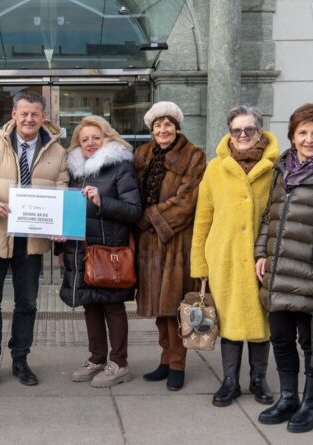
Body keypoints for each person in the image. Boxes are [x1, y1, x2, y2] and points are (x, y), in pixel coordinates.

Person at [254, 104, 313, 433]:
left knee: (311, 343)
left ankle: (312, 404)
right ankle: (288, 397)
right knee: (280, 339)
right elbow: (270, 215)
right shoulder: (283, 169)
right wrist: (260, 253)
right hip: (278, 269)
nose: (309, 139)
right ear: (292, 136)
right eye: (302, 133)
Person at [0, 90, 68, 393]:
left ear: (43, 117)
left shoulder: (57, 152)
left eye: (35, 114)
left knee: (27, 304)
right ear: (14, 115)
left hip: (31, 242)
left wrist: (59, 223)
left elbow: (62, 190)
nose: (29, 119)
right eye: (23, 113)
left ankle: (20, 360)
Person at [190, 105, 278, 406]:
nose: (242, 135)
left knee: (260, 321)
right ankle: (229, 381)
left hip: (262, 259)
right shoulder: (215, 167)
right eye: (236, 130)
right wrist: (199, 263)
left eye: (248, 130)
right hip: (224, 257)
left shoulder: (276, 167)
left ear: (260, 132)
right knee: (228, 321)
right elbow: (203, 217)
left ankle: (258, 380)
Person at [57, 116, 142, 387]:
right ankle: (96, 358)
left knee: (112, 307)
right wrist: (60, 240)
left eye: (96, 137)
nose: (90, 143)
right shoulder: (75, 171)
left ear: (108, 137)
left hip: (109, 251)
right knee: (90, 305)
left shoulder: (120, 168)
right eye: (84, 140)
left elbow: (134, 211)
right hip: (80, 250)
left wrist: (102, 201)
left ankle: (119, 363)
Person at [134, 101, 206, 391]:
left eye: (168, 124)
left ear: (177, 127)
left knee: (177, 306)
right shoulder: (143, 154)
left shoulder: (194, 156)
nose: (163, 130)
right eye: (157, 125)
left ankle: (178, 363)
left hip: (176, 241)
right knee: (160, 308)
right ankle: (165, 358)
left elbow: (188, 201)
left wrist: (149, 216)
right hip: (149, 243)